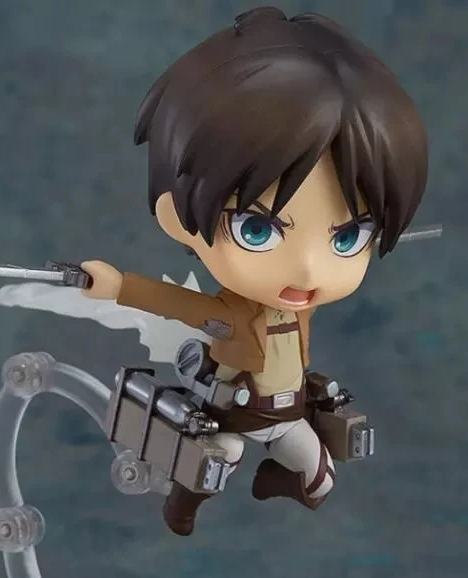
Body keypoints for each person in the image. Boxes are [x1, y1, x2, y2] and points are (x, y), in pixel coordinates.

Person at [79, 6, 428, 536]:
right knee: (217, 461)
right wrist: (117, 286)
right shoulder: (231, 314)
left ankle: (276, 481)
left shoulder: (299, 308)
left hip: (286, 417)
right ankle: (182, 505)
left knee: (320, 479)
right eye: (258, 230)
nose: (308, 269)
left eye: (347, 237)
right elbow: (178, 304)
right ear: (177, 216)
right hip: (233, 415)